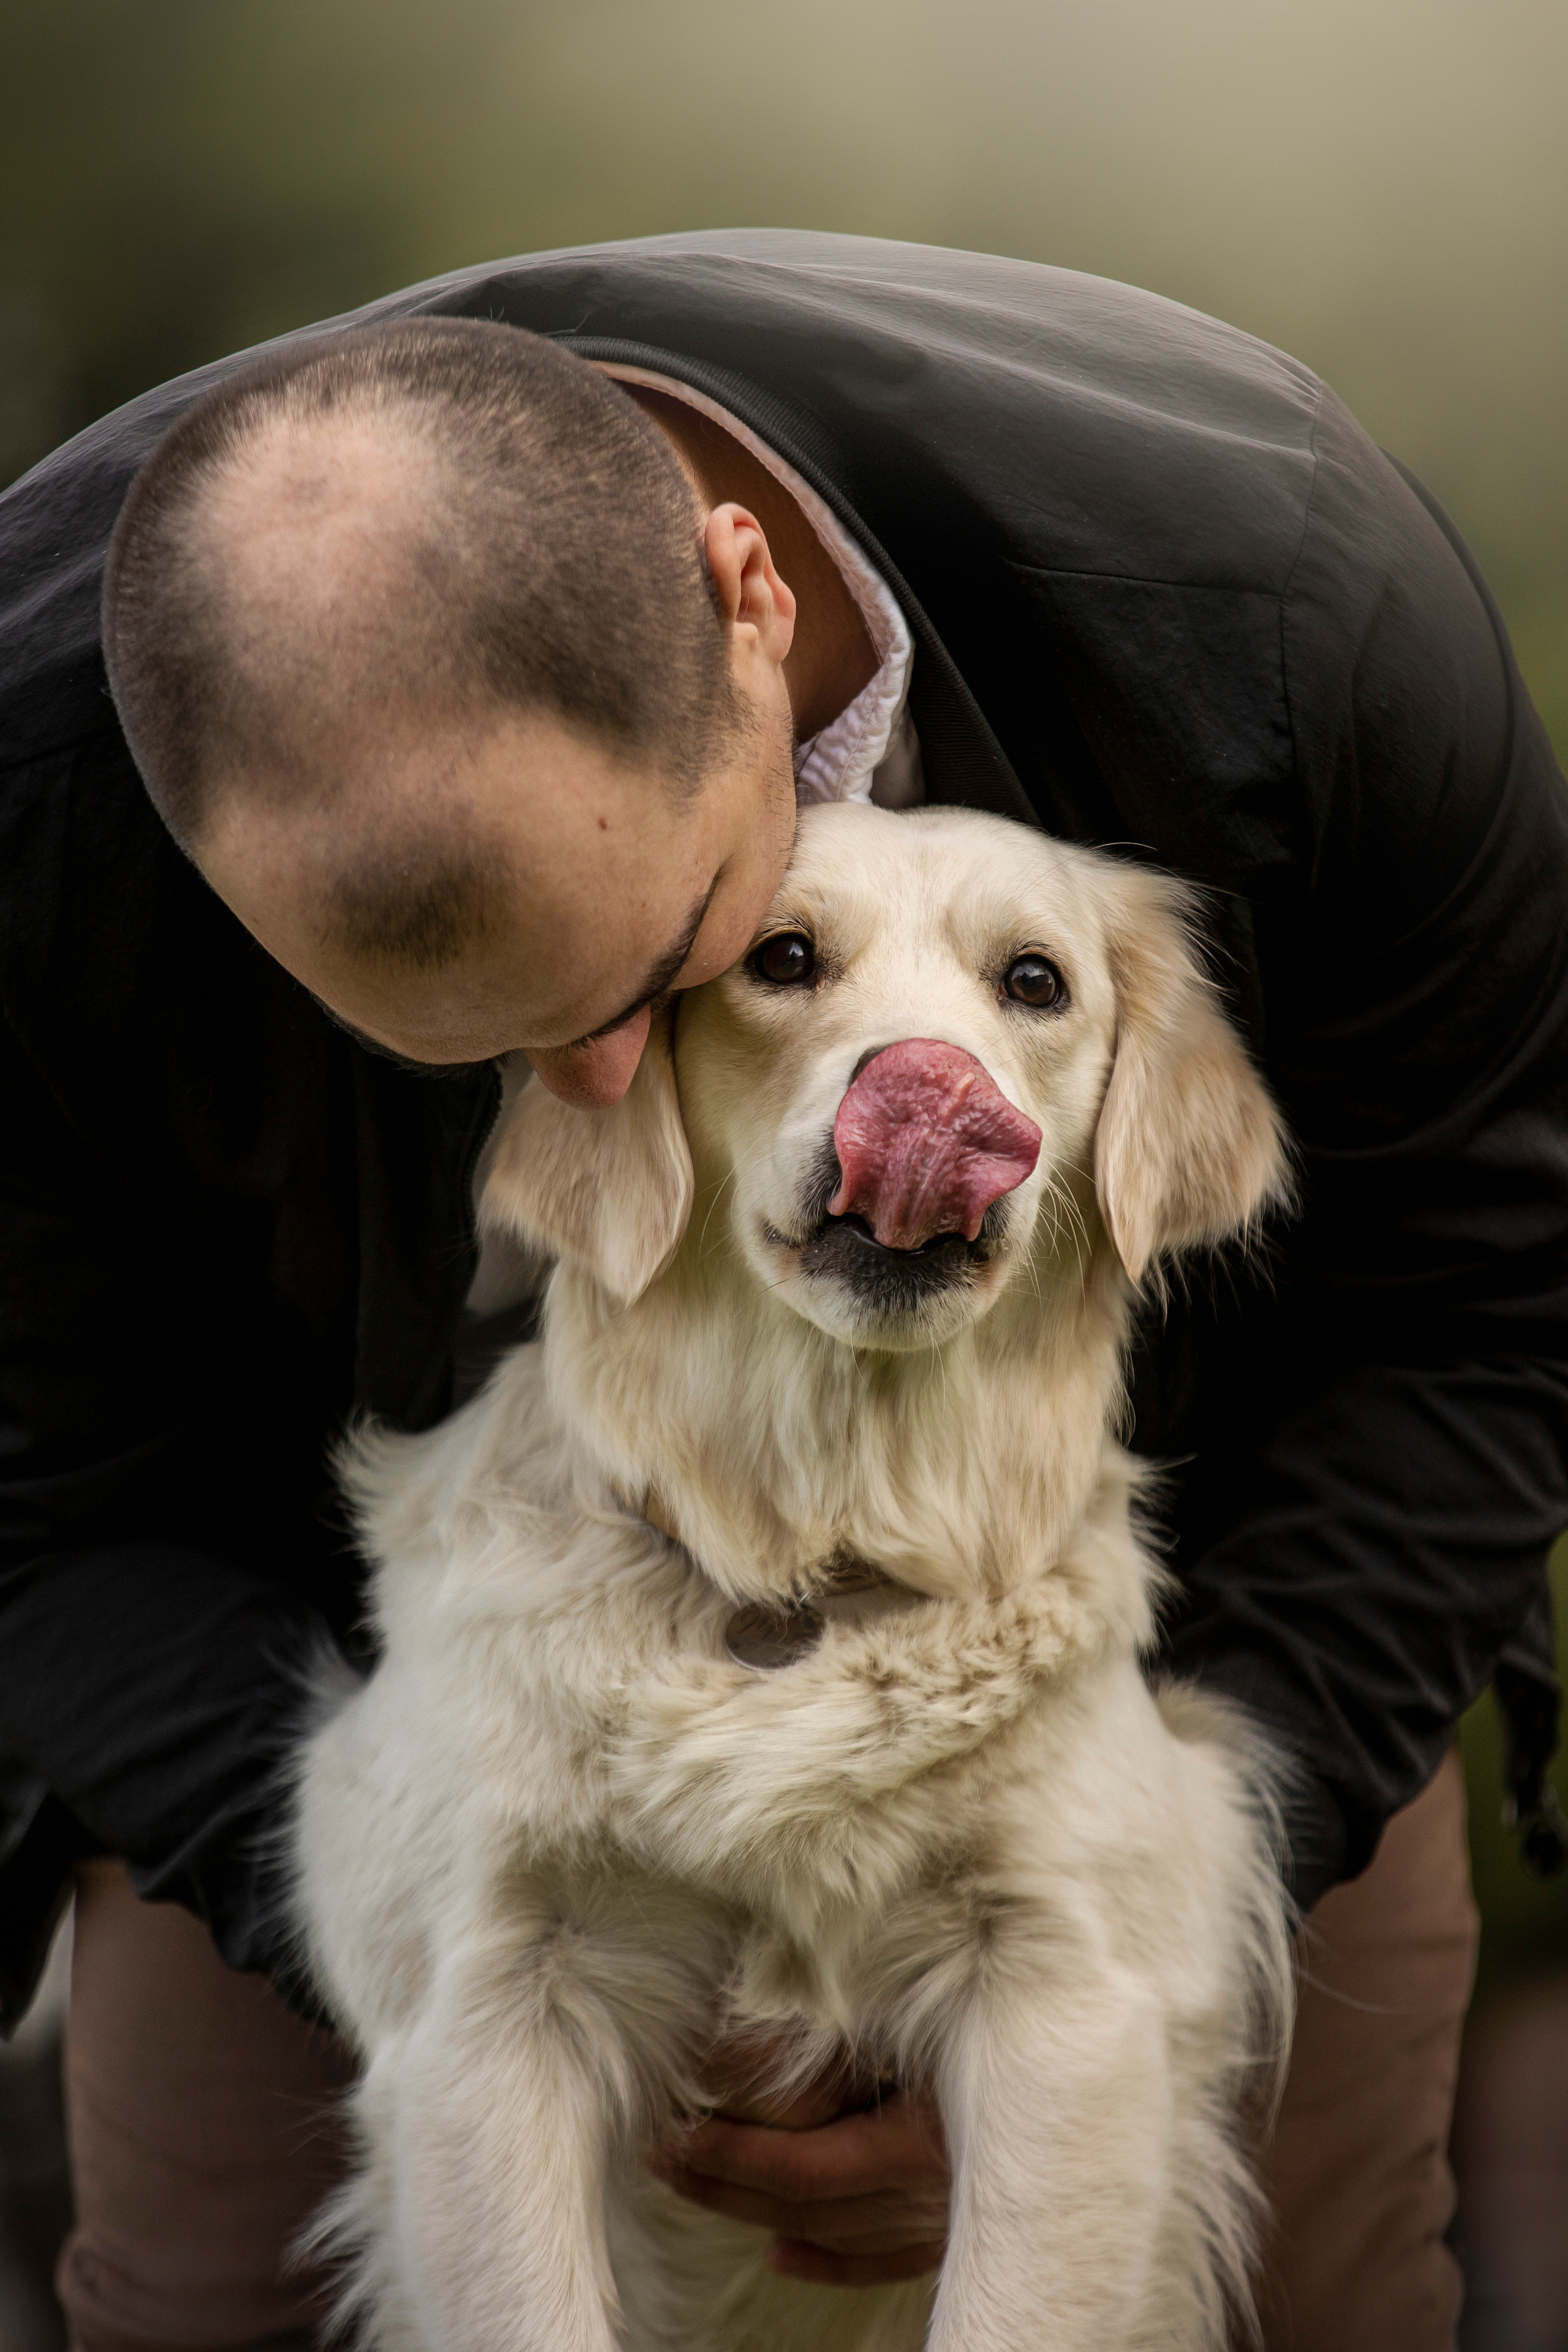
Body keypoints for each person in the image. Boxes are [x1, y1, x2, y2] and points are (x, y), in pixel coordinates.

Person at [0, 230, 1564, 2351]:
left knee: (1337, 2294)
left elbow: (1491, 1301)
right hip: (310, 1619)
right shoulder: (25, 814)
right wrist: (370, 1886)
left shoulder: (1286, 601)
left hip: (1201, 1583)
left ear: (758, 614)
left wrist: (1151, 1878)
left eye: (667, 973)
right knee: (200, 2300)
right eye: (449, 1048)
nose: (598, 1107)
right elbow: (35, 1493)